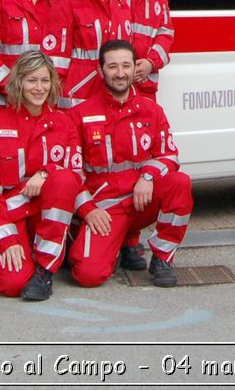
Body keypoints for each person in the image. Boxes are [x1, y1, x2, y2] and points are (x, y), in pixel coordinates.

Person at [69, 39, 191, 287]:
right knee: (88, 276)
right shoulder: (79, 114)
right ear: (100, 70)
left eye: (126, 65)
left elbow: (170, 155)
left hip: (140, 201)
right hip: (106, 208)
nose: (120, 73)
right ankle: (114, 243)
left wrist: (147, 177)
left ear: (135, 67)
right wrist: (88, 209)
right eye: (112, 66)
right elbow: (71, 172)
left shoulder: (151, 110)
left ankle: (162, 257)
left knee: (179, 182)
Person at [0, 51, 84, 301]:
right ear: (18, 82)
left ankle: (45, 269)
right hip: (9, 215)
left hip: (45, 212)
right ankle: (24, 251)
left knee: (64, 178)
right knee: (12, 285)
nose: (39, 87)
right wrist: (7, 239)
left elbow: (76, 174)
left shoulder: (64, 124)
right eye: (32, 80)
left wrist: (47, 172)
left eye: (45, 81)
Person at [65, 0, 130, 109]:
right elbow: (55, 62)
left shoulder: (120, 3)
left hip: (115, 89)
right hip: (81, 92)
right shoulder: (66, 3)